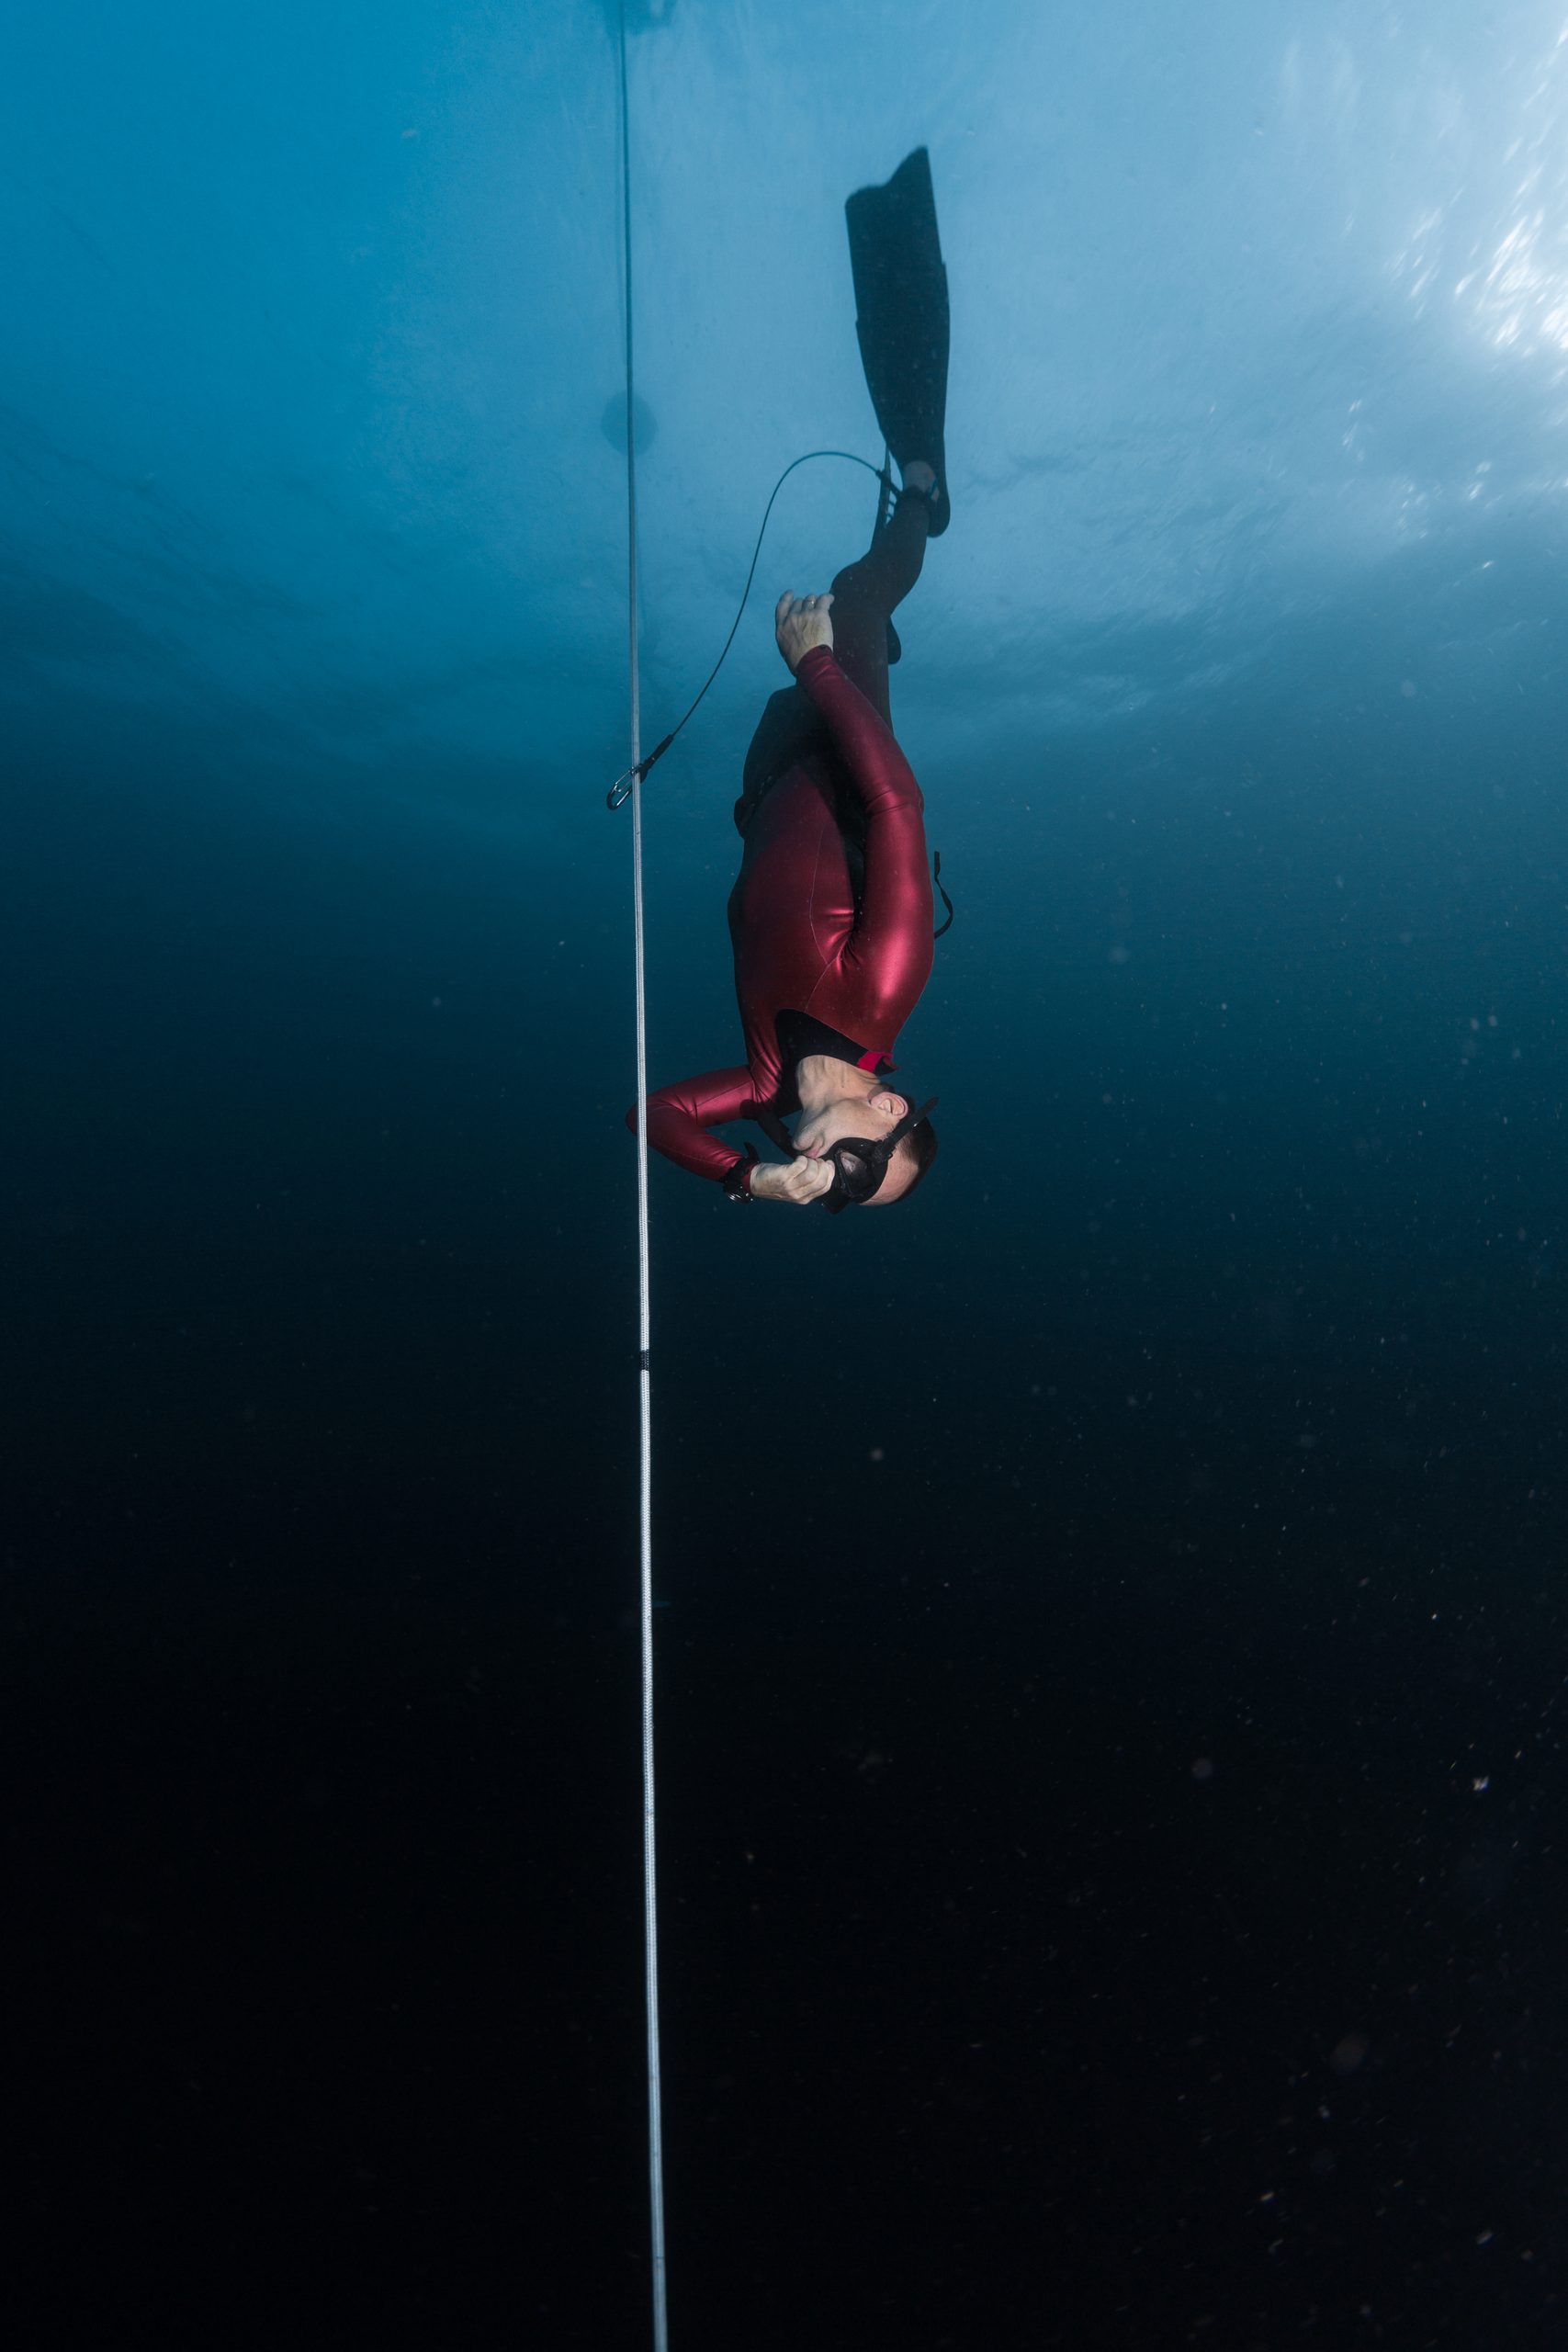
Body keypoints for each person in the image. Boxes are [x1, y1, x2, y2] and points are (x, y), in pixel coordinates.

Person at [630, 149, 951, 1213]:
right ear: (888, 1110)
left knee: (854, 618)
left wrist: (744, 1175)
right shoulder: (887, 984)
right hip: (837, 737)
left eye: (845, 1202)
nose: (836, 1183)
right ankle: (922, 494)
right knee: (859, 599)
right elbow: (897, 802)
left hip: (772, 775)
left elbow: (657, 1113)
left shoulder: (766, 1078)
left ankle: (883, 583)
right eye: (861, 1169)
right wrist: (819, 664)